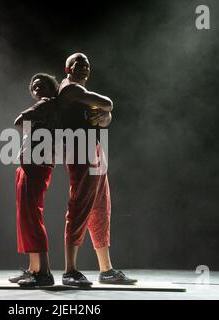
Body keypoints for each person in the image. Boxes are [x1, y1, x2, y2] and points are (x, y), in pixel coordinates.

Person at [58, 53, 137, 286]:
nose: (83, 67)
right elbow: (108, 104)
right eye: (78, 63)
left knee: (101, 207)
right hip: (79, 149)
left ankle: (106, 270)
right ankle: (69, 271)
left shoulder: (81, 95)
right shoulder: (70, 89)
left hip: (93, 149)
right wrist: (104, 111)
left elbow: (105, 118)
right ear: (67, 69)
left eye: (86, 64)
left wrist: (104, 114)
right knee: (80, 206)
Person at [9, 73, 60, 287]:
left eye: (42, 85)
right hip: (30, 165)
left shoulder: (46, 104)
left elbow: (19, 120)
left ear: (51, 89)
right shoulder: (47, 107)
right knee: (26, 218)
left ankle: (45, 272)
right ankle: (33, 269)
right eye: (34, 86)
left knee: (32, 216)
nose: (37, 88)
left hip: (36, 166)